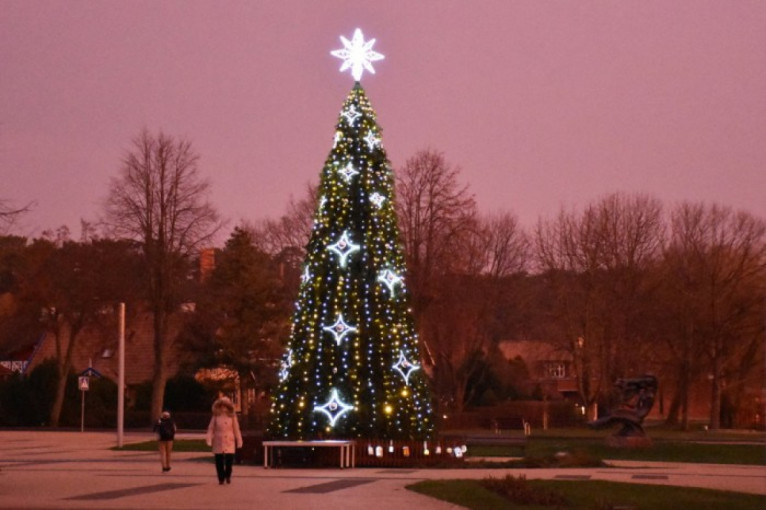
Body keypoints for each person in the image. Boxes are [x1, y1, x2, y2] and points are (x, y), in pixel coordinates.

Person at [206, 396, 243, 485]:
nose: (224, 408)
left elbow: (236, 429)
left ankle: (228, 475)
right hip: (218, 439)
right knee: (219, 460)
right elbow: (211, 428)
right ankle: (221, 478)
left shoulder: (232, 416)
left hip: (229, 439)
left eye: (225, 406)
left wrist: (239, 440)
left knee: (229, 460)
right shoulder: (216, 416)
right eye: (222, 406)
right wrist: (209, 439)